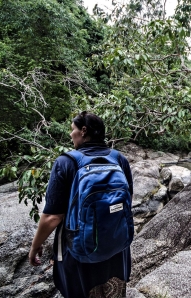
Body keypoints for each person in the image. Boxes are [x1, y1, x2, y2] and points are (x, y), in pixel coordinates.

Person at [28, 111, 133, 298]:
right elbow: (126, 202)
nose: (71, 134)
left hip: (80, 253)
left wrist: (36, 245)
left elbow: (53, 216)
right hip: (117, 248)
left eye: (73, 129)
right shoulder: (119, 159)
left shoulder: (66, 162)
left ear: (83, 131)